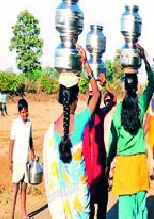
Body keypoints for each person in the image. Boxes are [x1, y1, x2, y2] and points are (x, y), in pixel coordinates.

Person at [43, 45, 99, 218]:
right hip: (80, 202)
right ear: (75, 99)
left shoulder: (51, 132)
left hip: (62, 206)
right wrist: (86, 64)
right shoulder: (81, 121)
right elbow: (96, 94)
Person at [106, 44, 154, 218]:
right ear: (136, 86)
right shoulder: (141, 104)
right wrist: (145, 60)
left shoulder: (118, 112)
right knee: (141, 211)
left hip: (125, 168)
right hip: (140, 166)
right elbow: (153, 83)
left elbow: (112, 143)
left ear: (124, 86)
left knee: (126, 213)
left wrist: (107, 164)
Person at [83, 73, 117, 219]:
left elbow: (114, 99)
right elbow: (114, 98)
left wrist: (104, 84)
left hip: (97, 168)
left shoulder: (99, 114)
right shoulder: (87, 117)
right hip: (92, 169)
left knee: (97, 207)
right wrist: (103, 86)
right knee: (94, 208)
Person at [9, 98, 34, 219]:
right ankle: (11, 215)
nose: (25, 114)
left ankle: (23, 214)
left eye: (26, 111)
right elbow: (11, 143)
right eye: (23, 112)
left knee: (24, 188)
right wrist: (10, 160)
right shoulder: (15, 123)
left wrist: (32, 152)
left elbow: (30, 139)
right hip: (17, 160)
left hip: (26, 161)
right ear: (19, 112)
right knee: (15, 188)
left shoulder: (29, 122)